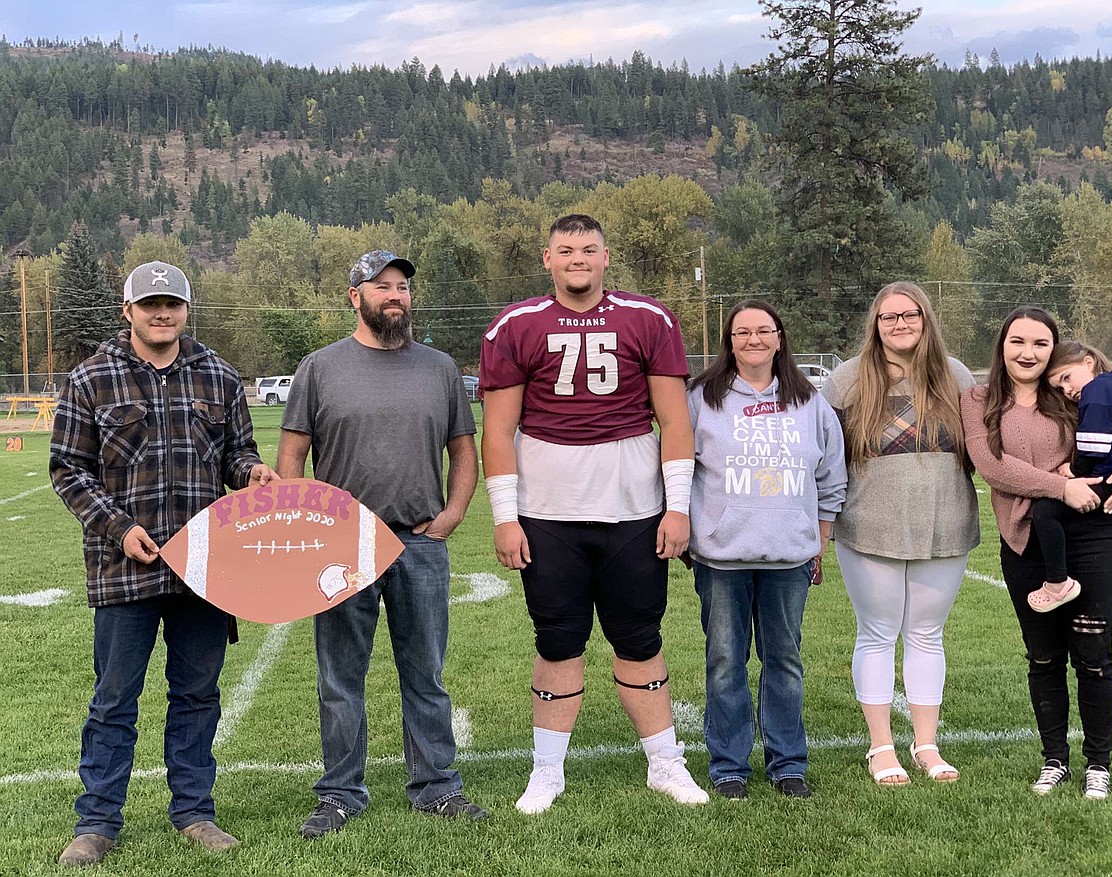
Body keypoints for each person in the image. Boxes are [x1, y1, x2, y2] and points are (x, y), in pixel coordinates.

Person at [479, 214, 708, 814]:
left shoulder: (649, 319)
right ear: (546, 259)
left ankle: (665, 762)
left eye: (588, 249)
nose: (577, 258)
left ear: (606, 257)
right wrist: (506, 516)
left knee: (640, 637)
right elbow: (498, 430)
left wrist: (677, 508)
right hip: (547, 512)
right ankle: (547, 771)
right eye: (565, 250)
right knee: (557, 641)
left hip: (633, 508)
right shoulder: (515, 325)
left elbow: (675, 422)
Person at [50, 261, 276, 867]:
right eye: (149, 303)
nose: (161, 313)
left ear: (185, 309)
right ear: (127, 311)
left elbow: (237, 454)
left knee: (198, 695)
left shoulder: (219, 376)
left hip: (205, 568)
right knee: (114, 700)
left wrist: (251, 474)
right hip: (124, 570)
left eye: (172, 303)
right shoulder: (90, 379)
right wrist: (119, 527)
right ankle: (96, 822)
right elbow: (68, 471)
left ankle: (195, 814)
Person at [276, 250, 487, 837]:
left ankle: (436, 787)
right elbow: (291, 456)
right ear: (355, 296)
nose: (395, 295)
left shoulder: (440, 368)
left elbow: (463, 450)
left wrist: (453, 512)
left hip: (420, 543)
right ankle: (341, 793)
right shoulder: (319, 368)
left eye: (402, 287)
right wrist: (304, 531)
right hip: (343, 548)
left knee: (426, 673)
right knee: (341, 678)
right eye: (381, 286)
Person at [961, 308, 1112, 800]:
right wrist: (1058, 488)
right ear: (1002, 344)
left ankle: (1098, 764)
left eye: (1040, 344)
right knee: (1044, 658)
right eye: (1018, 341)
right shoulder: (978, 399)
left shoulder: (1073, 391)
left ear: (1055, 349)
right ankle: (1054, 761)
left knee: (1093, 656)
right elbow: (992, 466)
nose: (1028, 353)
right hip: (1027, 541)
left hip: (1094, 537)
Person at [686, 300, 847, 800]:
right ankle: (729, 767)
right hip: (721, 559)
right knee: (725, 662)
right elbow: (676, 469)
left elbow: (830, 476)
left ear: (780, 338)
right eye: (742, 332)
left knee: (784, 661)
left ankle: (788, 764)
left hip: (788, 559)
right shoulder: (701, 399)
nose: (753, 340)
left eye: (763, 331)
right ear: (728, 342)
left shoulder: (809, 402)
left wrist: (820, 537)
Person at [821, 281, 979, 786]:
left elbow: (991, 436)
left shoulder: (954, 375)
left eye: (910, 315)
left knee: (927, 635)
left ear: (925, 319)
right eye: (889, 317)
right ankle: (881, 747)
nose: (900, 324)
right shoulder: (848, 379)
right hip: (869, 525)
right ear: (876, 324)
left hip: (945, 521)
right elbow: (822, 456)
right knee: (877, 634)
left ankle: (927, 745)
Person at [1027, 340, 1112, 612]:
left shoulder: (1096, 391)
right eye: (1060, 388)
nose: (1067, 390)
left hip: (1109, 476)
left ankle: (1057, 583)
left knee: (1046, 512)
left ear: (1088, 362)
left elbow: (1093, 444)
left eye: (1066, 378)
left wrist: (1073, 470)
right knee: (1111, 513)